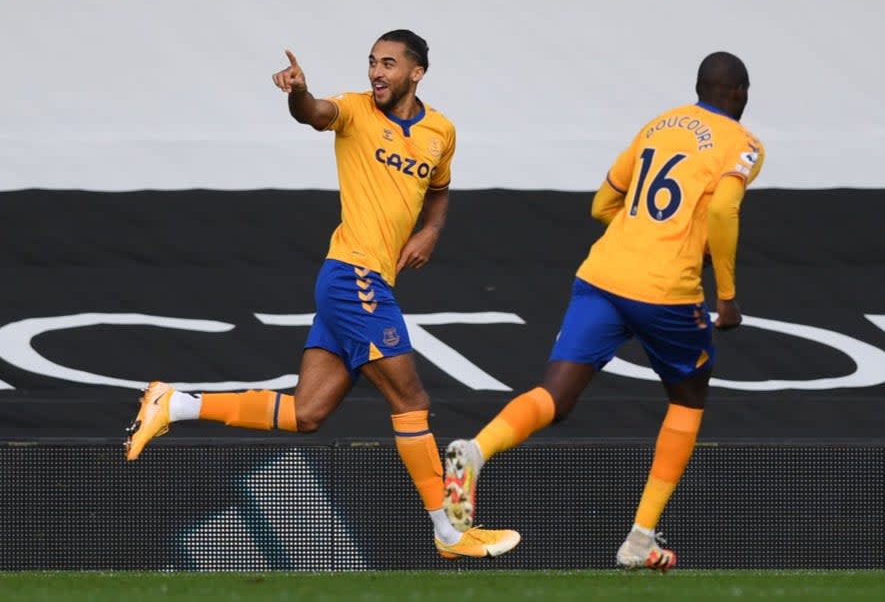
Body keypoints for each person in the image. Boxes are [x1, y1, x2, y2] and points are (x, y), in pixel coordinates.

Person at [124, 29, 520, 560]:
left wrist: (429, 231)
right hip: (355, 278)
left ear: (416, 73)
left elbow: (441, 189)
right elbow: (313, 113)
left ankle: (176, 403)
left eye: (388, 64)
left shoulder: (440, 130)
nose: (377, 73)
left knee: (305, 414)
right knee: (411, 401)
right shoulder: (354, 110)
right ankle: (449, 533)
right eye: (372, 63)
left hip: (354, 281)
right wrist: (296, 93)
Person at [442, 51, 764, 571]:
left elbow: (601, 205)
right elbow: (725, 208)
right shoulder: (743, 144)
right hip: (666, 289)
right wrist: (725, 294)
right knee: (687, 399)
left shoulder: (658, 125)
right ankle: (639, 539)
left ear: (698, 87)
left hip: (602, 275)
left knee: (555, 394)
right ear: (741, 95)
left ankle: (476, 452)